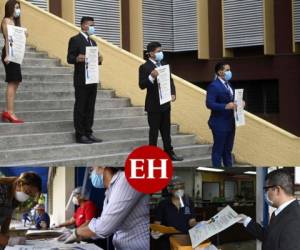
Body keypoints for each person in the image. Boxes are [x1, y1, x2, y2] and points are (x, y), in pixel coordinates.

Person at [62, 166, 149, 250]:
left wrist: (76, 233)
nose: (91, 175)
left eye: (92, 169)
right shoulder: (109, 191)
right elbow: (103, 223)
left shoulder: (126, 179)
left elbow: (104, 227)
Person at [139, 41, 183, 161]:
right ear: (151, 53)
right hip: (153, 106)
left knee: (166, 131)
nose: (161, 53)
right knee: (153, 132)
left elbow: (170, 81)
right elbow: (142, 85)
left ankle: (169, 152)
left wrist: (173, 93)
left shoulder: (164, 64)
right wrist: (151, 76)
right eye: (158, 51)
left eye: (161, 51)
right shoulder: (145, 67)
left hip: (165, 104)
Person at [238, 169, 300, 250]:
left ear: (277, 190)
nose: (265, 193)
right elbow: (269, 236)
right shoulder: (280, 212)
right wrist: (246, 220)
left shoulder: (295, 220)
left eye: (266, 189)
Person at [67, 16, 103, 144]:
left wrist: (99, 59)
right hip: (81, 79)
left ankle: (89, 131)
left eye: (94, 25)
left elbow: (95, 60)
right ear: (83, 26)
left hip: (92, 78)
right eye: (90, 24)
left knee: (90, 107)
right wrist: (78, 58)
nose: (93, 27)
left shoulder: (93, 42)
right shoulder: (75, 40)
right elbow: (69, 58)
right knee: (81, 106)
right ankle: (80, 134)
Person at [151, 176, 197, 250]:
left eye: (181, 187)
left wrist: (200, 225)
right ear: (170, 190)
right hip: (167, 239)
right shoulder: (163, 204)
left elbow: (192, 221)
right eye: (176, 188)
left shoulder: (189, 202)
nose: (179, 190)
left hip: (185, 238)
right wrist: (155, 231)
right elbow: (157, 223)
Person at [206, 62, 237, 167]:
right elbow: (209, 103)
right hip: (219, 123)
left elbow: (232, 100)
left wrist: (240, 103)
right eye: (227, 70)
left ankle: (229, 168)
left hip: (230, 122)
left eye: (229, 70)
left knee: (228, 150)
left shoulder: (229, 85)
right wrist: (225, 106)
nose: (229, 72)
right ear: (220, 72)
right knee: (218, 150)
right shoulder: (214, 86)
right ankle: (217, 168)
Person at [0, 172, 42, 248]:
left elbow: (7, 217)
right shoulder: (1, 190)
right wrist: (8, 240)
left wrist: (6, 238)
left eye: (30, 195)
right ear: (19, 183)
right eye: (27, 192)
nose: (27, 196)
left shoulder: (14, 198)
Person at [1, 0, 26, 123]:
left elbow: (17, 39)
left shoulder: (15, 22)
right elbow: (7, 39)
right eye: (16, 7)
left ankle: (9, 111)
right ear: (10, 8)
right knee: (12, 82)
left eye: (19, 7)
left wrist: (24, 34)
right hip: (9, 54)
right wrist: (7, 55)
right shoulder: (6, 20)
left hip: (16, 54)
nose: (18, 10)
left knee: (16, 81)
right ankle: (9, 112)